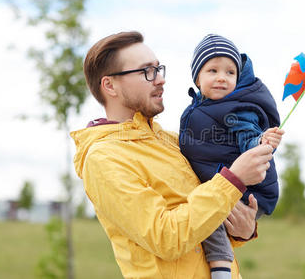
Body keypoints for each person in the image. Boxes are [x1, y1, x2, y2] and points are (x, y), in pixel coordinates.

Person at [70, 31, 275, 279]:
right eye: (147, 71)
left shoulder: (172, 141)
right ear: (110, 85)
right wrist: (233, 179)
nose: (160, 80)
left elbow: (204, 220)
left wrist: (243, 229)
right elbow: (166, 238)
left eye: (159, 69)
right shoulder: (104, 158)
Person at [179, 34, 285, 279]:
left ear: (237, 78)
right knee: (204, 209)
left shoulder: (238, 108)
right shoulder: (200, 107)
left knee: (209, 215)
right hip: (221, 180)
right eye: (212, 70)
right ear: (197, 77)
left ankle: (221, 271)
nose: (221, 78)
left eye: (229, 73)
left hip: (247, 190)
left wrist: (260, 142)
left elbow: (249, 138)